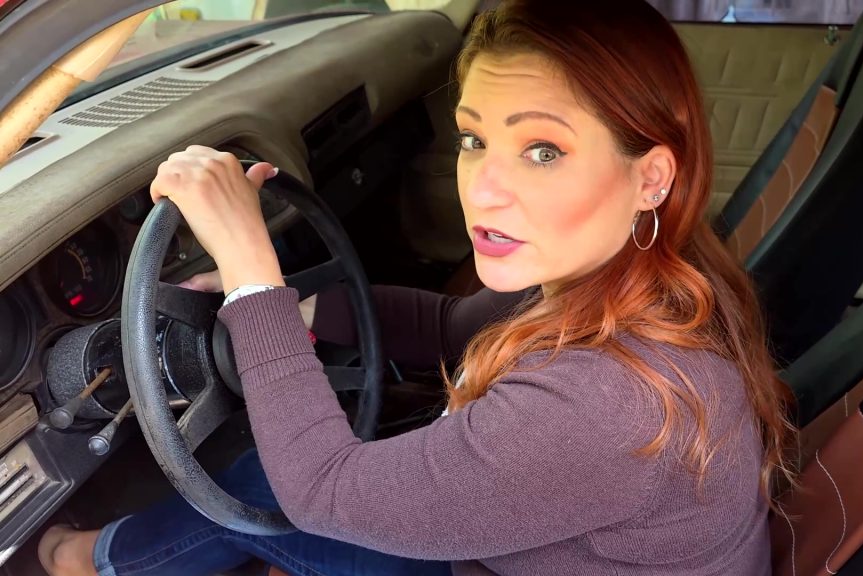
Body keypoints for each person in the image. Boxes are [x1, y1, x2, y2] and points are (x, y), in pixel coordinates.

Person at [38, 0, 794, 574]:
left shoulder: (607, 403)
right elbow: (446, 329)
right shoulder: (627, 275)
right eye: (474, 139)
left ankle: (87, 562)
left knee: (263, 485)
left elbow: (322, 491)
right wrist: (291, 309)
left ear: (651, 176)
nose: (483, 190)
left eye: (542, 150)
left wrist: (251, 276)